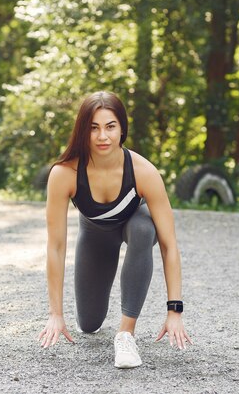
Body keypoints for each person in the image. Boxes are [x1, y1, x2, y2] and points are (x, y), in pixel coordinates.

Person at [37, 91, 192, 368]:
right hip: (95, 235)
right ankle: (95, 319)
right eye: (93, 128)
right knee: (88, 323)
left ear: (122, 129)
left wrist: (175, 310)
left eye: (110, 126)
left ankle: (125, 334)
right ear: (83, 131)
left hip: (133, 226)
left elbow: (169, 245)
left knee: (144, 229)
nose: (102, 137)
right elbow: (56, 246)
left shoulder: (144, 172)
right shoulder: (65, 174)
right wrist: (55, 314)